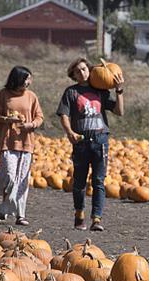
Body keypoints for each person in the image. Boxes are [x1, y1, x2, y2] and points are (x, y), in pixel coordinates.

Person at [57, 57, 124, 231]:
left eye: (84, 69)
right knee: (79, 181)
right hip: (81, 142)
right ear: (73, 75)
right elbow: (64, 115)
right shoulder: (71, 93)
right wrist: (70, 132)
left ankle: (97, 219)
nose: (82, 73)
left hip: (100, 140)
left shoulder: (101, 91)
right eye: (78, 71)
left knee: (99, 181)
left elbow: (119, 111)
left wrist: (119, 91)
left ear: (90, 70)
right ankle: (79, 213)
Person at [0, 65, 43, 226]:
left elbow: (39, 116)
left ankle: (20, 215)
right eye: (27, 78)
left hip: (26, 142)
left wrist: (31, 125)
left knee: (22, 179)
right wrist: (8, 120)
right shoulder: (4, 94)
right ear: (18, 79)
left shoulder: (31, 96)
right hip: (8, 141)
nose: (29, 82)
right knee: (9, 175)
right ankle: (6, 204)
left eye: (30, 78)